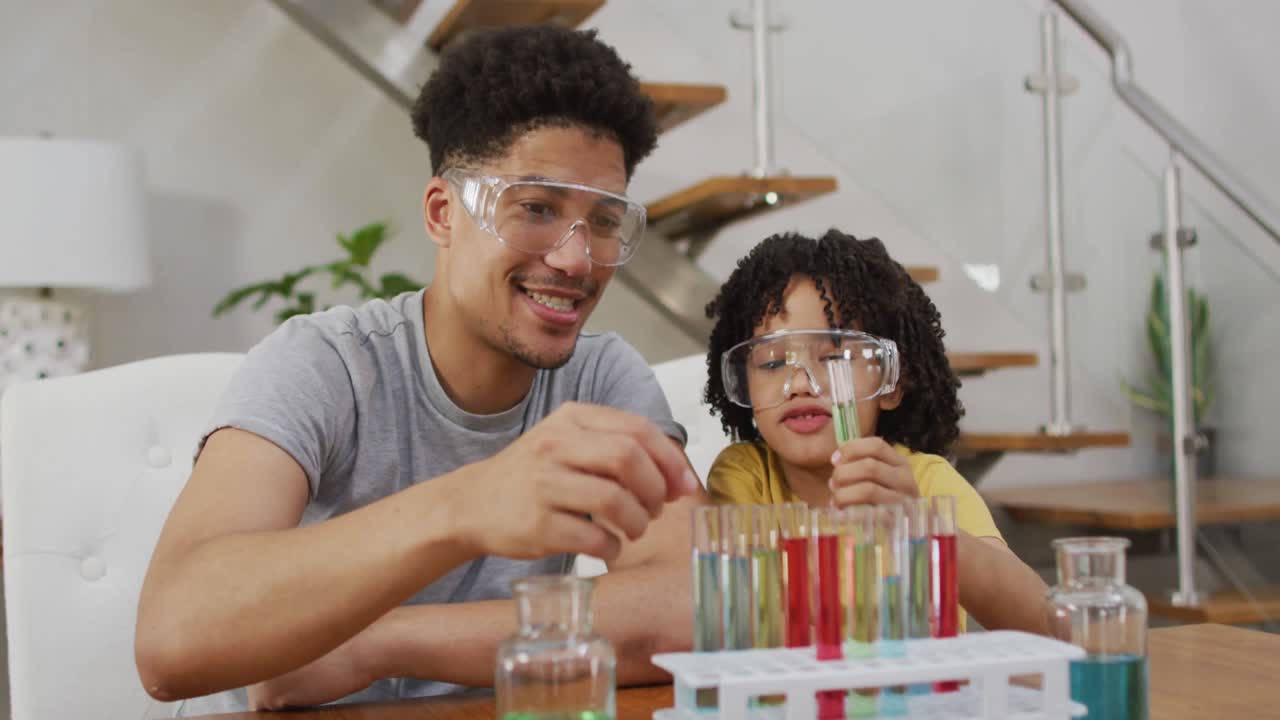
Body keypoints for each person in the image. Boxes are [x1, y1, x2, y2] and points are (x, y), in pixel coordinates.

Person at [135, 25, 704, 713]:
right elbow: (174, 637)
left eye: (606, 221)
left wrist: (379, 641)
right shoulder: (325, 364)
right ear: (443, 214)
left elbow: (693, 606)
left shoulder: (602, 379)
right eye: (535, 208)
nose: (577, 259)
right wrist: (467, 505)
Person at [702, 229, 1048, 633]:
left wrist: (923, 527)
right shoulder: (746, 476)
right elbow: (741, 612)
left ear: (892, 382)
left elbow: (1041, 620)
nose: (800, 383)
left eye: (834, 357)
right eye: (773, 363)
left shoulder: (924, 481)